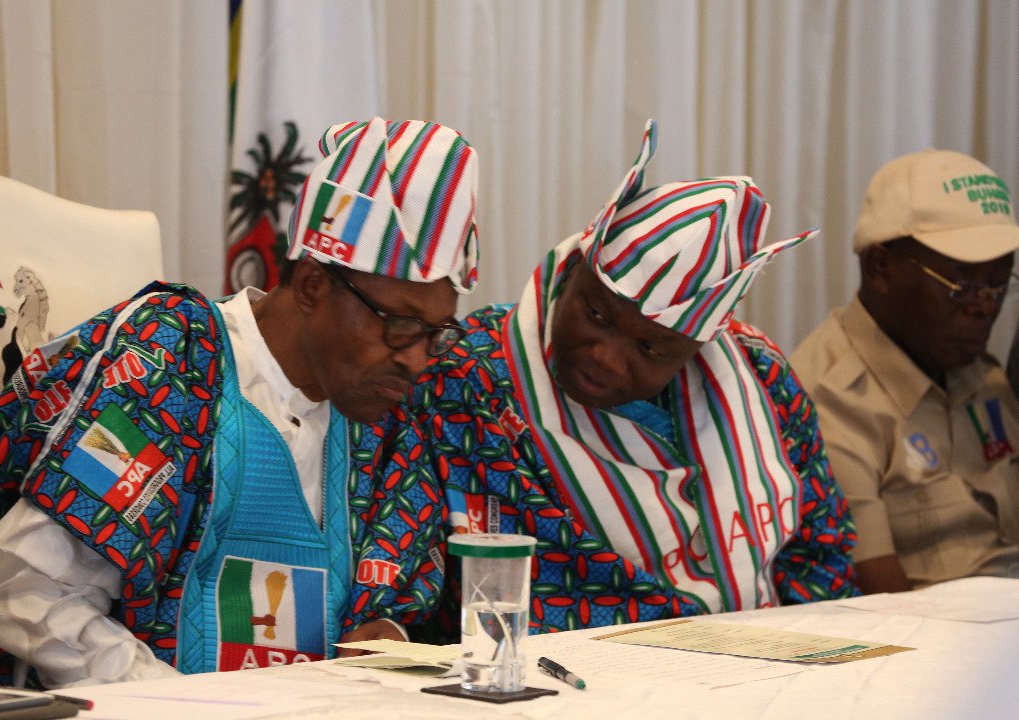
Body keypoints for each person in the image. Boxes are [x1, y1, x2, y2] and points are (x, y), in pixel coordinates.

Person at [0, 117, 480, 687]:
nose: (418, 360)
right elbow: (23, 588)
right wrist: (179, 706)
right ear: (314, 286)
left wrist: (388, 633)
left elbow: (400, 593)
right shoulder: (170, 367)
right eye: (399, 325)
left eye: (436, 332)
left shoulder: (382, 419)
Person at [400, 120, 856, 637]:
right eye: (596, 315)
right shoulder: (473, 380)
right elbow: (491, 586)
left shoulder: (762, 377)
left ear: (698, 348)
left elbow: (822, 555)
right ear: (572, 271)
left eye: (650, 348)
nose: (607, 359)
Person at [791, 149, 1019, 594]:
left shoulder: (981, 377)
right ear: (881, 268)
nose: (984, 307)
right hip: (940, 646)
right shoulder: (827, 402)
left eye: (999, 284)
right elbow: (883, 608)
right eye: (962, 285)